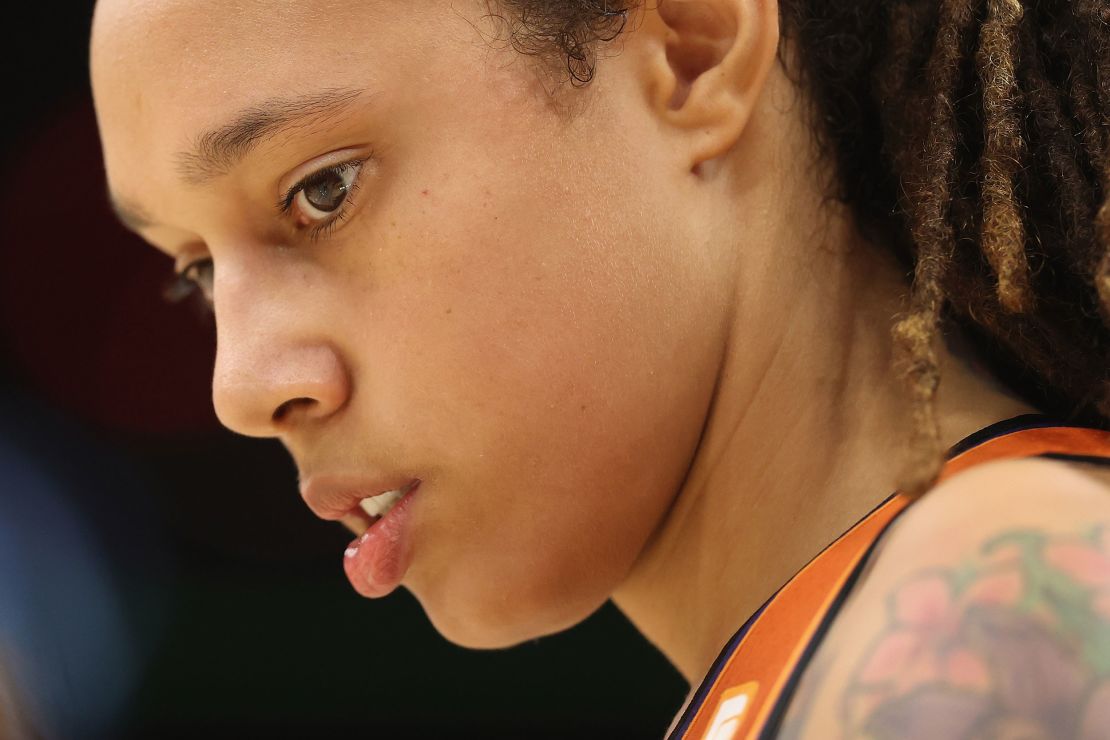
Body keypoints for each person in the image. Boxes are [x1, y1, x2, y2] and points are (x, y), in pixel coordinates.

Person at [89, 0, 1110, 736]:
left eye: (322, 192)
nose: (245, 385)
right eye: (197, 272)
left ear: (693, 53)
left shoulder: (991, 608)